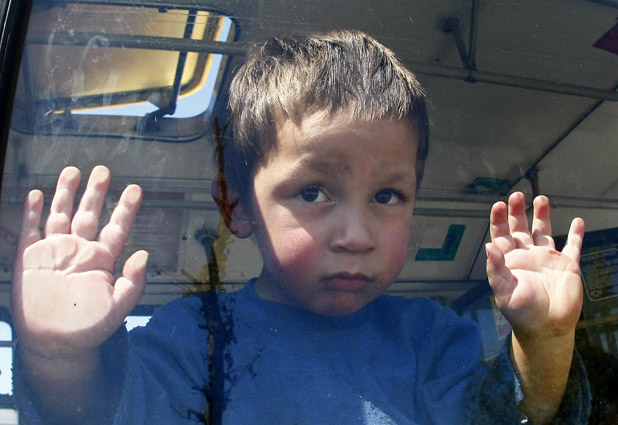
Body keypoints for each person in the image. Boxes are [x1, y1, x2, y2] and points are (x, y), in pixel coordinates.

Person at [12, 30, 589, 425]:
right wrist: (59, 356)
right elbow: (106, 413)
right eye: (313, 192)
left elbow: (512, 414)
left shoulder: (428, 337)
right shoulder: (195, 335)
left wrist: (546, 341)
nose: (356, 235)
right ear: (237, 207)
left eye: (387, 196)